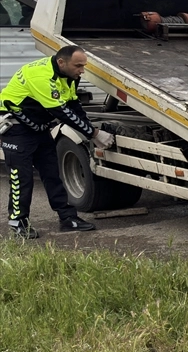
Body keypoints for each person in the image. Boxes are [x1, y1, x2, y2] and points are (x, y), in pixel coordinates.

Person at [1, 45, 113, 238]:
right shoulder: (41, 76)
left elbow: (73, 105)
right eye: (78, 66)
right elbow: (62, 112)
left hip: (39, 127)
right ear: (61, 62)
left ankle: (68, 218)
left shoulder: (69, 75)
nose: (82, 71)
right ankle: (18, 222)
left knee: (53, 174)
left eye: (83, 66)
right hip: (17, 129)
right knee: (22, 178)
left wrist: (90, 129)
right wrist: (94, 134)